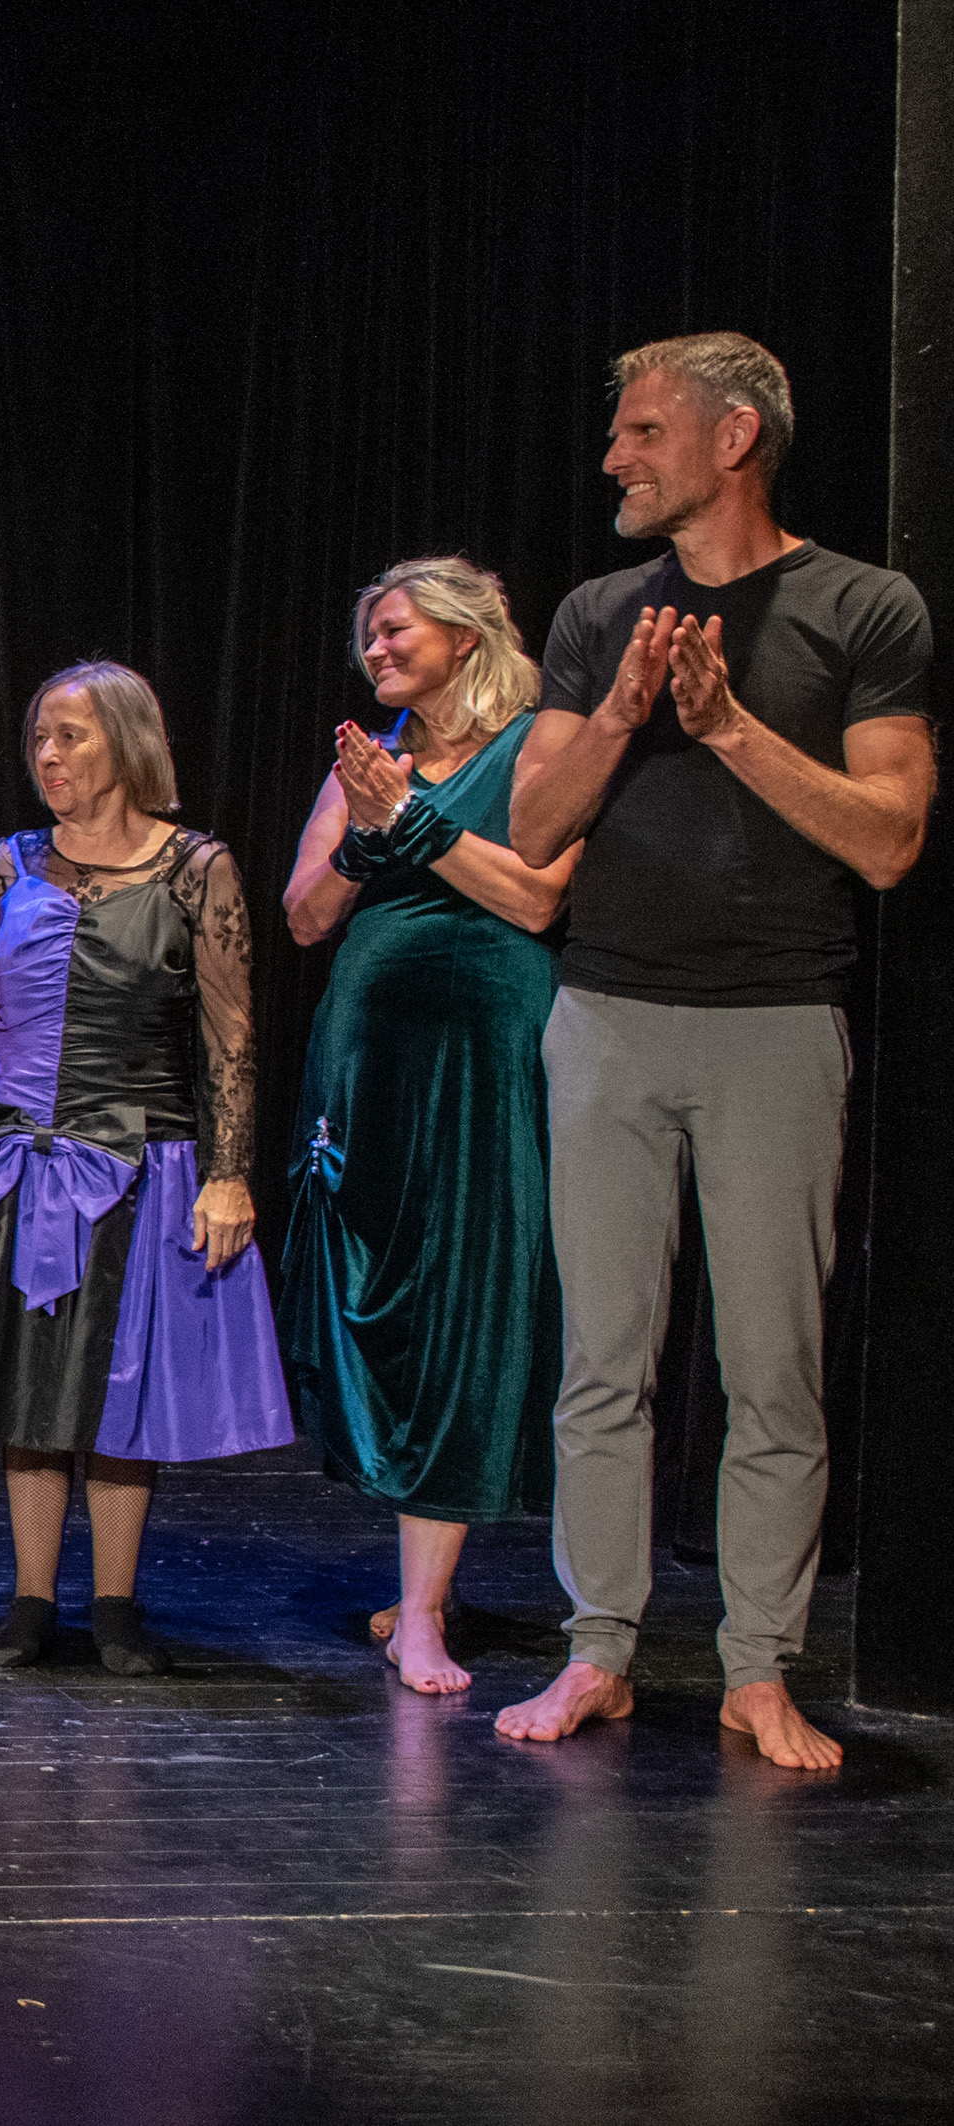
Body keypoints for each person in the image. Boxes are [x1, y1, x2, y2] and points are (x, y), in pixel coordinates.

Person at [493, 333, 931, 1771]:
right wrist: (627, 708)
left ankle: (756, 1669)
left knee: (772, 1370)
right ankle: (598, 1650)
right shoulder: (597, 613)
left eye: (639, 431)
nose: (611, 457)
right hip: (605, 1018)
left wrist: (727, 726)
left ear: (730, 437)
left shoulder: (859, 606)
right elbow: (533, 828)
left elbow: (889, 839)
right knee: (600, 1362)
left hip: (775, 1027)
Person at [0, 663, 291, 1674]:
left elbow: (230, 1035)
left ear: (125, 743)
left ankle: (115, 1605)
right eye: (39, 736)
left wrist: (228, 1171)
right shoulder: (10, 861)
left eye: (70, 736)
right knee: (28, 1395)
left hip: (141, 1161)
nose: (47, 755)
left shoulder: (194, 866)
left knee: (123, 1396)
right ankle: (31, 1600)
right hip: (16, 1160)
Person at [279, 558, 572, 1695]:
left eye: (395, 629)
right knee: (389, 1296)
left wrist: (411, 819)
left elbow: (536, 896)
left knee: (467, 1296)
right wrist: (366, 833)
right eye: (369, 635)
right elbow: (305, 915)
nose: (376, 649)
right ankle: (417, 1589)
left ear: (465, 635)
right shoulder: (370, 760)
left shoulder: (537, 746)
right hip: (370, 1053)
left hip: (487, 1051)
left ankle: (422, 1610)